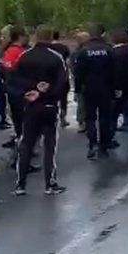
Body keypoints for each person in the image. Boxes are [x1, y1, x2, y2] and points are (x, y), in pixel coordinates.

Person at [8, 25, 67, 196]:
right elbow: (62, 83)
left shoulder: (24, 57)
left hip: (30, 106)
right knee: (49, 146)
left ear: (35, 37)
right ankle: (50, 184)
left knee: (26, 144)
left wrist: (28, 92)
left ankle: (20, 184)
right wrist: (48, 94)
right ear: (50, 38)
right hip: (49, 106)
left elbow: (12, 81)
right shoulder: (56, 58)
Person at [74, 24, 115, 160]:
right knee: (105, 118)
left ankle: (93, 144)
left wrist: (77, 89)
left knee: (90, 118)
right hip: (106, 89)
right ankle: (103, 146)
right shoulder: (108, 50)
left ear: (90, 35)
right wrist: (116, 88)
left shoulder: (84, 51)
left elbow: (78, 73)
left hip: (89, 89)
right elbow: (115, 71)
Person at [0, 26, 27, 144]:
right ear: (21, 37)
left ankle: (18, 136)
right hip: (20, 89)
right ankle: (24, 141)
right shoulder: (20, 52)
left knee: (16, 117)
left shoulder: (8, 51)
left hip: (10, 89)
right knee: (23, 118)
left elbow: (4, 69)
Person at [50, 30, 71, 127]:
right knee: (63, 97)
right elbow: (67, 62)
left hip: (50, 75)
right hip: (62, 75)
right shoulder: (64, 48)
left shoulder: (48, 48)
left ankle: (51, 117)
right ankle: (63, 116)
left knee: (50, 97)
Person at [71, 30, 90, 134]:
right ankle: (82, 121)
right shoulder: (77, 52)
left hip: (84, 80)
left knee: (83, 102)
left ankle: (84, 122)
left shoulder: (79, 52)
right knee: (82, 102)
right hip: (83, 81)